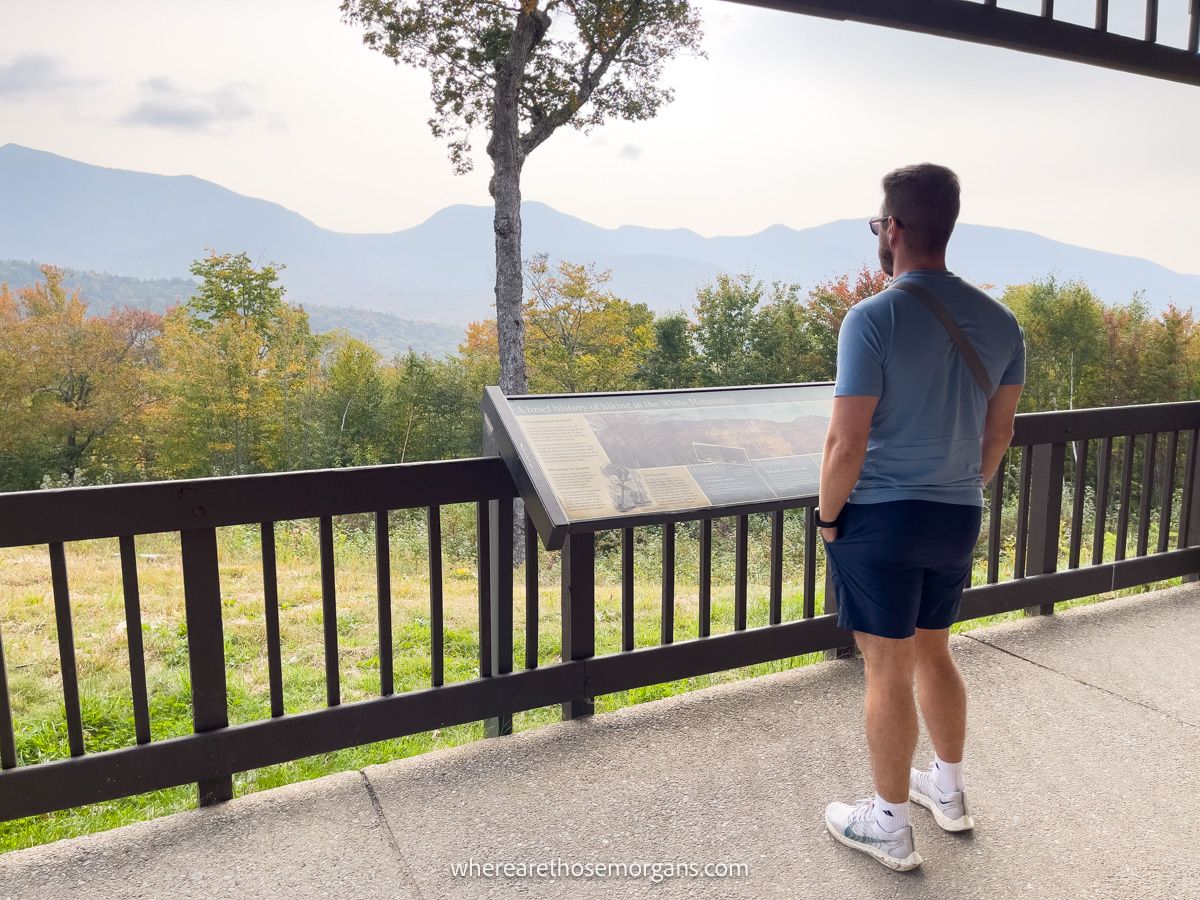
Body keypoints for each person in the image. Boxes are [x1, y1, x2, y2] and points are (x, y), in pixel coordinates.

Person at [817, 163, 1025, 871]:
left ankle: (890, 827)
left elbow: (846, 442)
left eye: (880, 223)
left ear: (894, 229)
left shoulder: (872, 318)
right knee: (935, 649)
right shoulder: (1001, 323)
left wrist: (826, 519)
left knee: (886, 668)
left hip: (882, 519)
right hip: (957, 511)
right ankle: (951, 793)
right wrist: (961, 487)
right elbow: (998, 437)